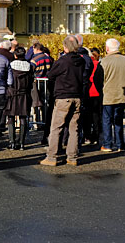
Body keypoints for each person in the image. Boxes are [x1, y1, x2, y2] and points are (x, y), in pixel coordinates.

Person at [40, 36, 85, 166]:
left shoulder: (63, 61)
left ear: (65, 47)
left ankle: (52, 157)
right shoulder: (81, 61)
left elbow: (50, 75)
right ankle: (72, 157)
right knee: (74, 129)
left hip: (63, 97)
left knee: (56, 128)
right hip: (77, 96)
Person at [100, 39, 125, 152]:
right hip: (122, 95)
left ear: (107, 48)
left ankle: (107, 144)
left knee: (107, 120)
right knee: (118, 120)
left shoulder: (104, 61)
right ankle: (120, 144)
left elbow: (100, 79)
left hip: (108, 95)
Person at [4, 47, 34, 150]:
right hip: (24, 94)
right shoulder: (29, 67)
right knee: (23, 117)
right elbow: (31, 82)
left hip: (12, 94)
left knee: (11, 117)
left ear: (15, 55)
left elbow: (7, 80)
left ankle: (12, 142)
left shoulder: (10, 66)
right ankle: (21, 143)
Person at [84, 48, 104, 146]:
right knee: (96, 116)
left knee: (87, 116)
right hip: (97, 93)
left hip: (88, 92)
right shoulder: (99, 65)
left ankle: (87, 136)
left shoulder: (86, 64)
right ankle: (95, 136)